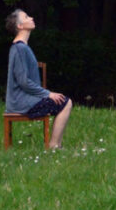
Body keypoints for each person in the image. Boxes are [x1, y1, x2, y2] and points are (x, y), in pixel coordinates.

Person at [5, 9, 73, 149]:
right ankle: (54, 145)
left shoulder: (22, 47)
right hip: (21, 103)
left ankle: (56, 145)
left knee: (62, 101)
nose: (31, 18)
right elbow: (23, 81)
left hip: (23, 100)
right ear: (20, 26)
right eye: (26, 17)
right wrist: (47, 94)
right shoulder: (19, 48)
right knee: (65, 102)